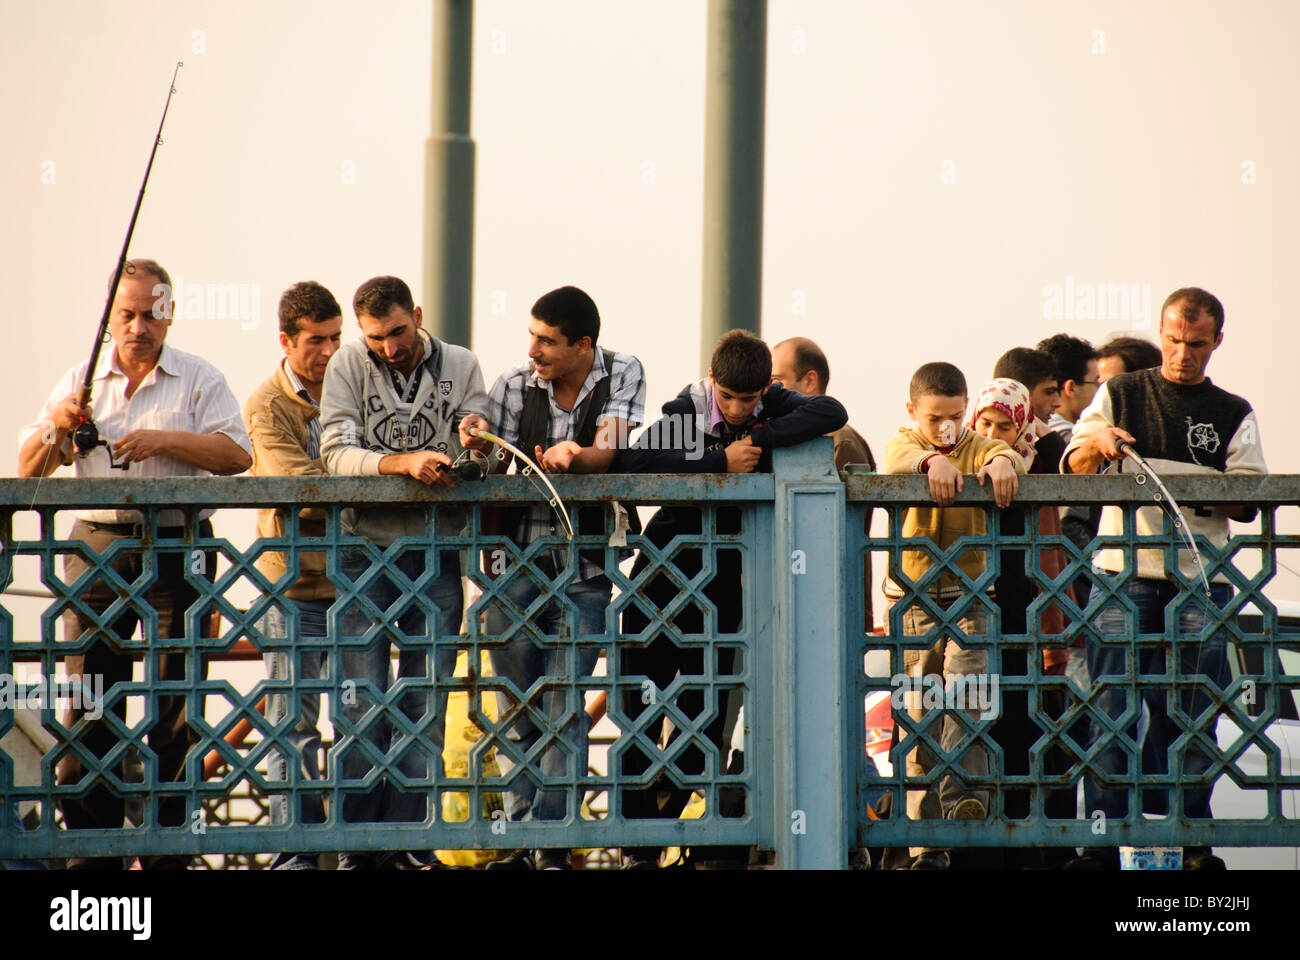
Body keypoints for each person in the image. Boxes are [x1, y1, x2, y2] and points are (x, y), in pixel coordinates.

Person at [18, 258, 252, 870]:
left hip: (179, 545)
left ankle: (169, 848)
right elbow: (28, 471)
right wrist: (56, 431)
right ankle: (93, 856)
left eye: (152, 312)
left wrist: (163, 440)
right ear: (108, 317)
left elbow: (236, 453)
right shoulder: (80, 381)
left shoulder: (200, 378)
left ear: (169, 314)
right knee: (90, 700)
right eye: (127, 313)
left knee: (178, 702)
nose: (139, 326)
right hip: (99, 546)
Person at [617, 330, 846, 869]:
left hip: (724, 581)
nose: (739, 409)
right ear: (712, 382)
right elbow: (638, 461)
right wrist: (719, 462)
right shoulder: (686, 404)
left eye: (750, 399)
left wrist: (761, 437)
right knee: (639, 700)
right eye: (730, 398)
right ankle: (639, 846)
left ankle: (687, 826)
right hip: (665, 571)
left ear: (765, 388)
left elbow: (831, 411)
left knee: (706, 705)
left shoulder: (770, 403)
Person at [1062, 288, 1266, 870]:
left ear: (1216, 343)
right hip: (1123, 572)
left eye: (1196, 344)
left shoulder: (1233, 409)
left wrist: (1188, 479)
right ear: (1162, 332)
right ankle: (1104, 842)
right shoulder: (1121, 392)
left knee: (1192, 710)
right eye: (1173, 340)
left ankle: (1190, 838)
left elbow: (1250, 495)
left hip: (1201, 577)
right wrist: (1097, 441)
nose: (1182, 354)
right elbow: (1075, 463)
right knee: (1112, 706)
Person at [318, 275, 490, 869]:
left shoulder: (463, 364)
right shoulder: (347, 364)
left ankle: (408, 842)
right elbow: (335, 453)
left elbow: (481, 449)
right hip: (362, 548)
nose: (389, 347)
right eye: (376, 338)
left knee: (425, 697)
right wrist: (404, 463)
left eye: (397, 331)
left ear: (416, 315)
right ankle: (358, 847)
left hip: (436, 549)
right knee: (360, 700)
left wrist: (473, 446)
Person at [480, 285, 646, 871]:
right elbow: (486, 465)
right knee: (516, 705)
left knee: (563, 703)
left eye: (547, 341)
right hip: (512, 563)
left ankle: (549, 845)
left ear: (584, 345)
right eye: (531, 337)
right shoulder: (509, 386)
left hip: (587, 563)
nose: (534, 351)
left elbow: (612, 445)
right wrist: (475, 440)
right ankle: (524, 841)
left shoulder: (622, 371)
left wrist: (575, 453)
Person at [883, 361, 1024, 870]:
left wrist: (1004, 460)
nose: (945, 429)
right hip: (914, 595)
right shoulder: (904, 441)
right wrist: (930, 463)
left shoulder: (974, 445)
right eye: (933, 418)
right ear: (912, 412)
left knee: (969, 692)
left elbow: (1004, 453)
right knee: (918, 712)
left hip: (968, 591)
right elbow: (898, 457)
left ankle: (967, 798)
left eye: (954, 418)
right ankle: (925, 841)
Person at [242, 281, 343, 870]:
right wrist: (366, 478)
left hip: (356, 578)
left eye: (335, 338)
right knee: (294, 720)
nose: (328, 351)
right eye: (315, 340)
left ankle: (362, 849)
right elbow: (299, 487)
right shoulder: (265, 404)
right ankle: (293, 853)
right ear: (286, 340)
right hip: (293, 582)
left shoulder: (355, 387)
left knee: (361, 717)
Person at [967, 378, 1073, 868]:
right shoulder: (969, 460)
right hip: (981, 608)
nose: (993, 433)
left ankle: (1040, 845)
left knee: (1033, 721)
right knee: (986, 721)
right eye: (984, 423)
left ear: (1022, 425)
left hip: (1029, 611)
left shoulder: (1042, 455)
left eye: (1004, 426)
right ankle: (989, 844)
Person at [770, 336, 879, 631]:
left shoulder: (838, 441)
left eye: (777, 380)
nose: (768, 390)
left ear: (809, 381)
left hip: (831, 603)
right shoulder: (799, 438)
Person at [1036, 334, 1099, 443]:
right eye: (1096, 383)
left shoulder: (1038, 427)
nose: (1099, 391)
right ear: (1071, 388)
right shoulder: (1071, 441)